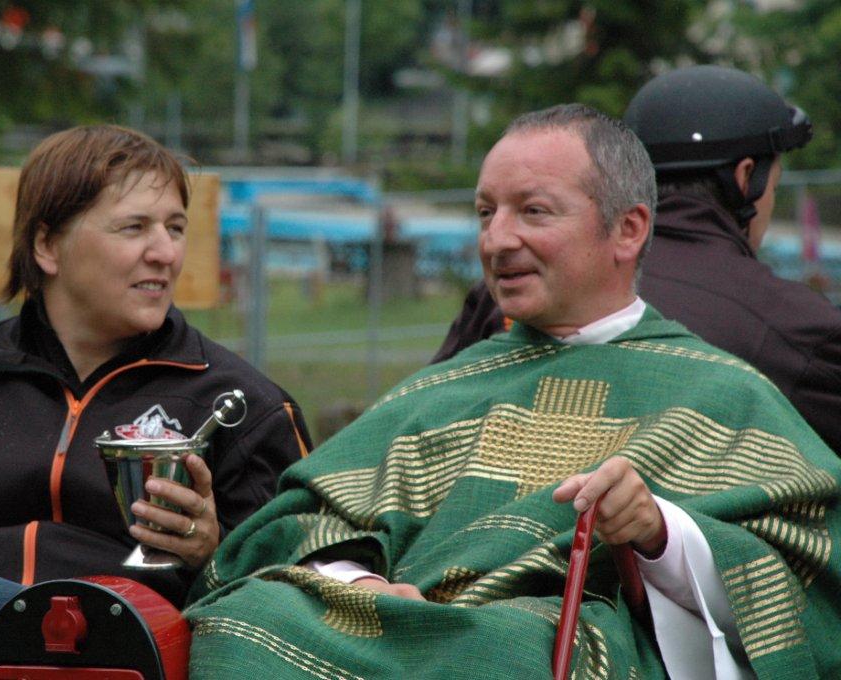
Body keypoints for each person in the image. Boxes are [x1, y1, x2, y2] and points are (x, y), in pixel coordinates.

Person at [183, 105, 841, 678]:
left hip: (535, 645)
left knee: (512, 651)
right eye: (484, 213)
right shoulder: (446, 386)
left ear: (629, 229)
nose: (497, 240)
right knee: (243, 621)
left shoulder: (723, 395)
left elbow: (811, 578)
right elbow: (296, 523)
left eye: (533, 211)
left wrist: (661, 533)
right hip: (388, 628)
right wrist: (359, 580)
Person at [0, 124, 312, 679]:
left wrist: (213, 551)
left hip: (119, 649)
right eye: (134, 227)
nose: (166, 252)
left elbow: (295, 576)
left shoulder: (240, 402)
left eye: (175, 228)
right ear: (48, 246)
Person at [431, 65, 841, 457]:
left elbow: (427, 423)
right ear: (745, 178)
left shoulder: (512, 295)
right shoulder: (799, 328)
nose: (498, 241)